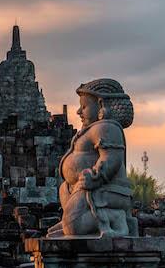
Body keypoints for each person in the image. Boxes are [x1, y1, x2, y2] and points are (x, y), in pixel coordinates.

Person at [48, 78, 135, 238]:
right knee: (64, 192)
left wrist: (96, 177)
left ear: (101, 105)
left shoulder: (108, 127)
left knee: (73, 227)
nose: (79, 112)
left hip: (108, 190)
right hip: (84, 189)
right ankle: (75, 221)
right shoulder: (89, 130)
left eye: (84, 107)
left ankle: (115, 219)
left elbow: (112, 159)